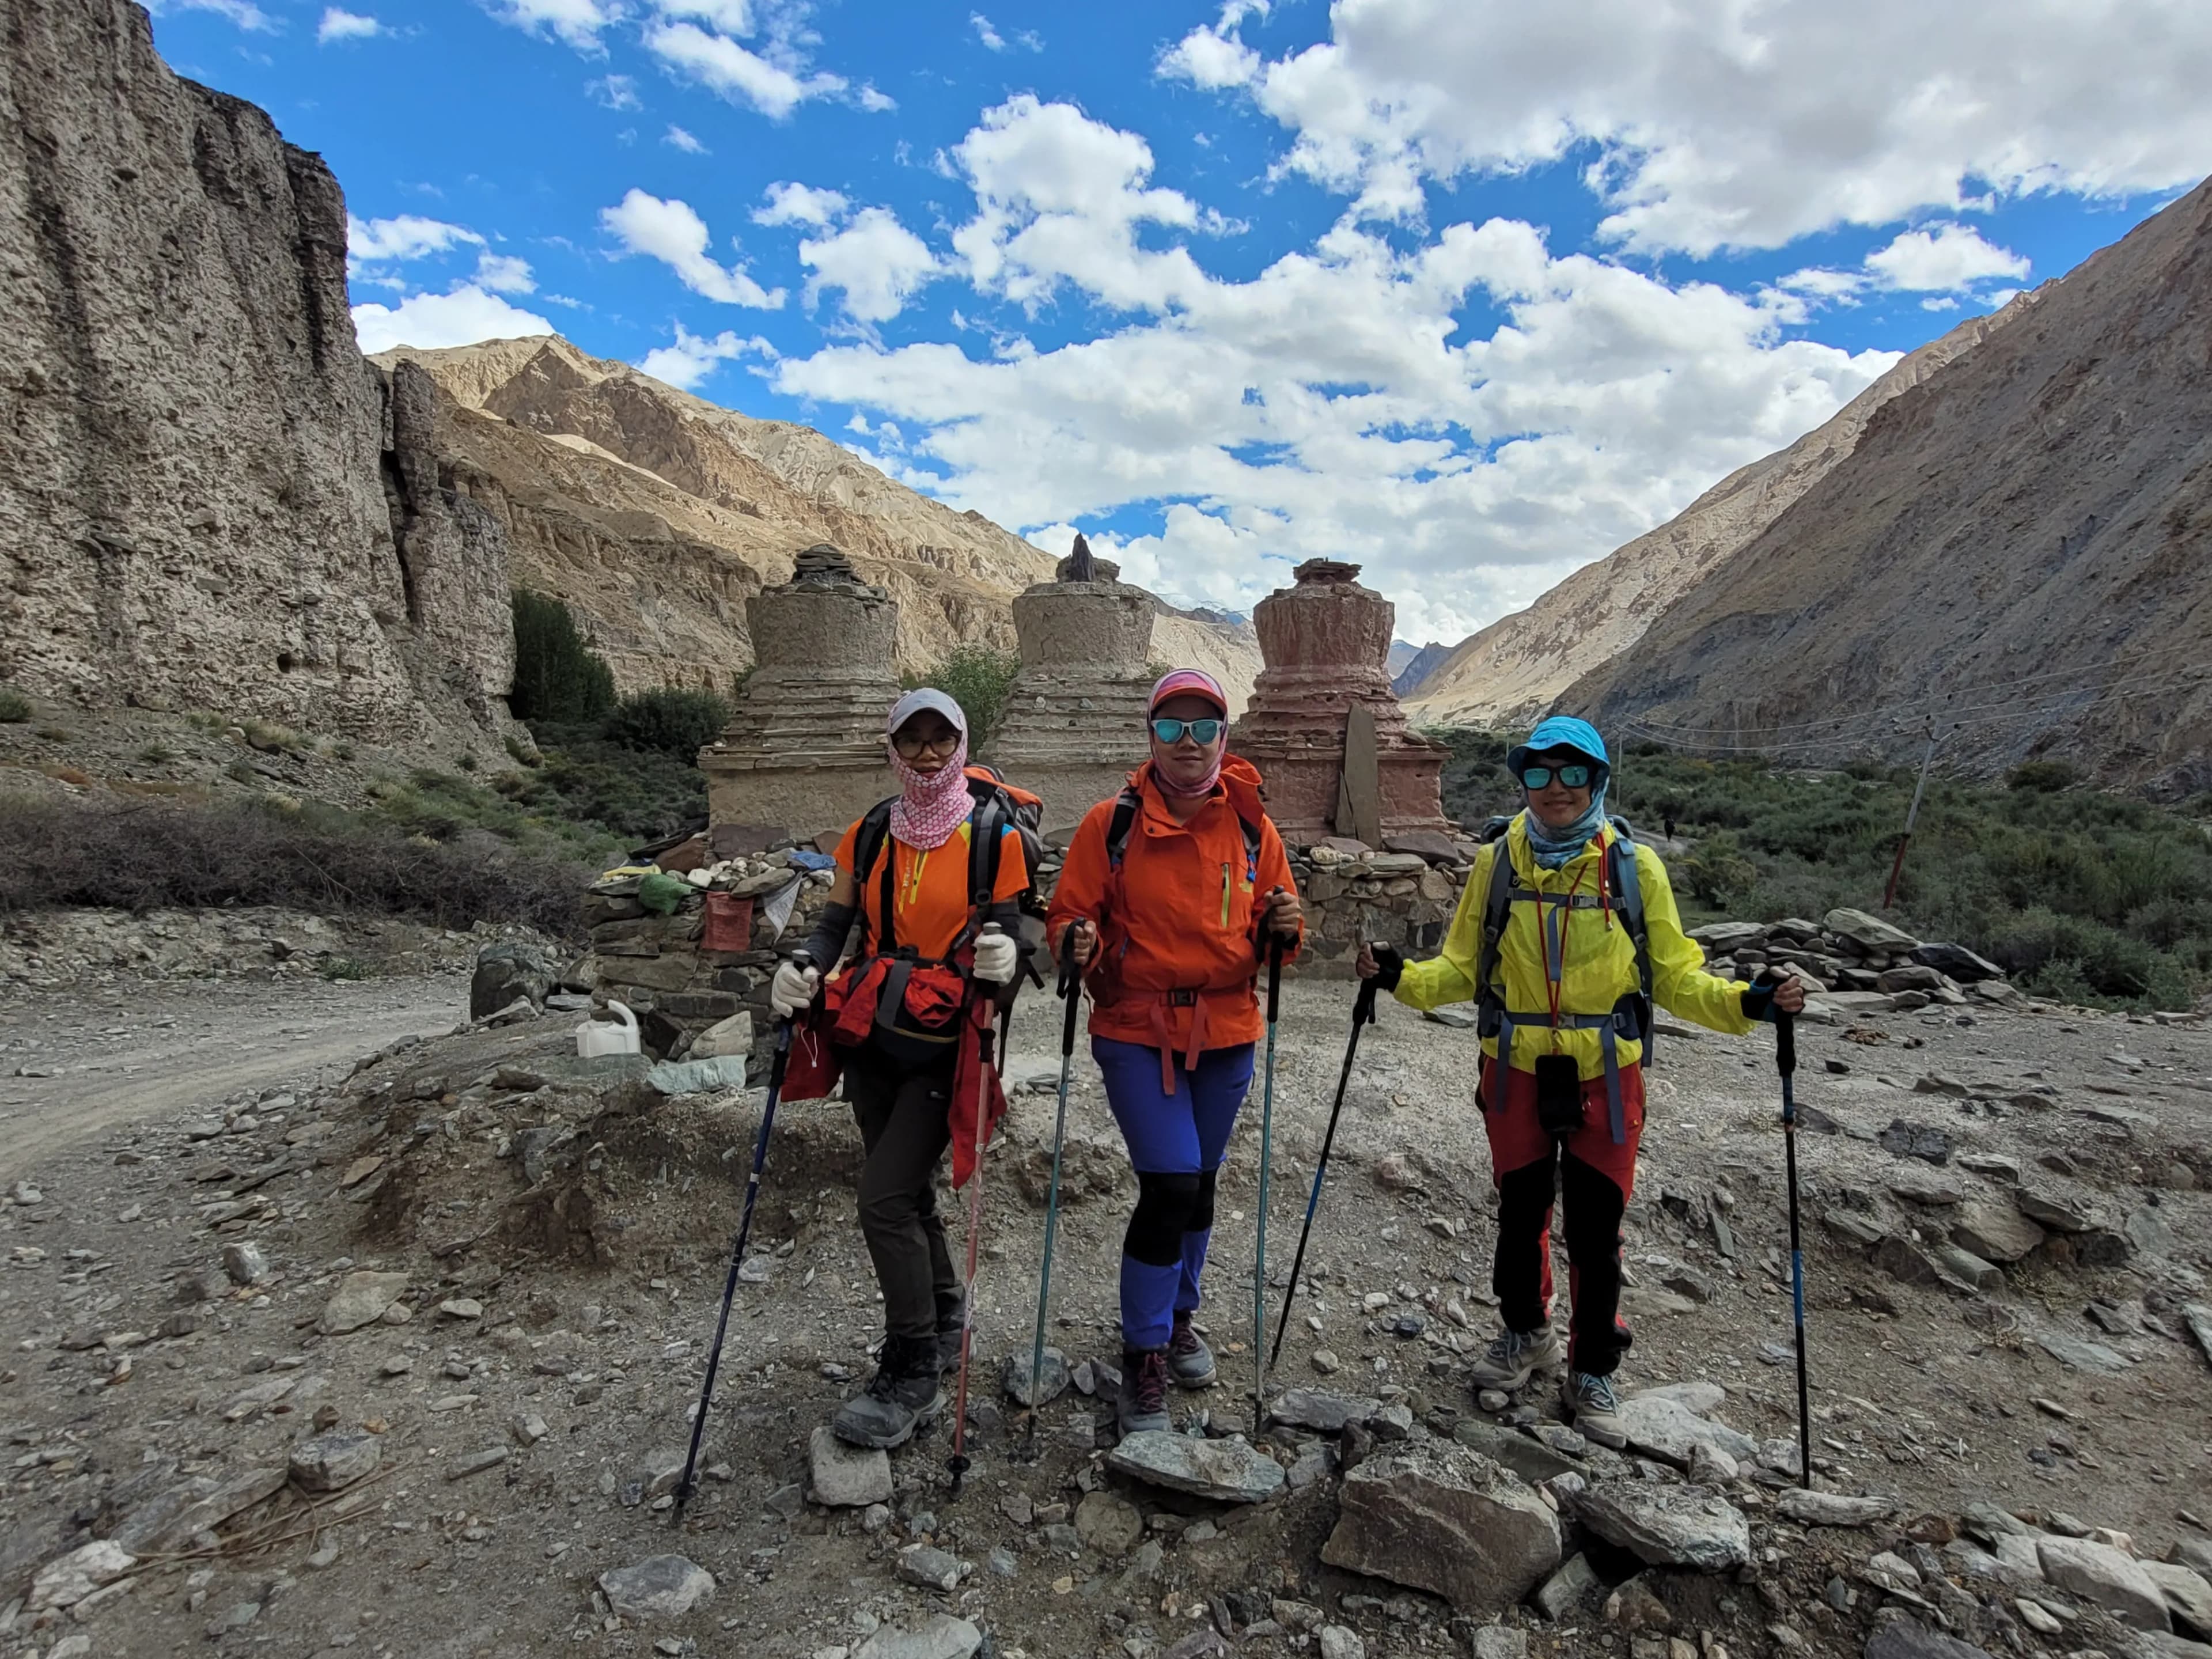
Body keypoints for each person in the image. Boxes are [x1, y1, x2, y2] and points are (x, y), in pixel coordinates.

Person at [1356, 715, 1804, 1448]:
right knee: (1519, 1218)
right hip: (1516, 1071)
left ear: (1597, 781)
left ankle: (1592, 1366)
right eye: (1539, 773)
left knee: (1597, 1232)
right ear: (1523, 782)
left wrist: (1747, 1002)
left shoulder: (1634, 868)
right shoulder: (1499, 863)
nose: (1555, 789)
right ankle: (1526, 1333)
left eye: (1571, 774)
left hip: (1608, 1073)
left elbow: (1676, 977)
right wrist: (1400, 974)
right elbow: (1463, 970)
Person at [1048, 669, 1304, 1436]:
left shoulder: (1255, 829)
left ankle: (1180, 1316)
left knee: (1199, 1186)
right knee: (1168, 1186)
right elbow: (1067, 916)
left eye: (1202, 727)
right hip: (1135, 1029)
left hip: (1227, 1033)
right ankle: (1144, 1353)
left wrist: (1287, 929)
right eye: (1171, 727)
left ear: (1224, 738)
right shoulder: (1109, 824)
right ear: (1149, 735)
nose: (1187, 742)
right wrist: (1075, 941)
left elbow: (1276, 931)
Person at [772, 688, 1026, 1449]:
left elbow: (1012, 942)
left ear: (961, 743)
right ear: (892, 747)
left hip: (944, 1041)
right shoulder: (871, 831)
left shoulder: (992, 837)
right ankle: (945, 1318)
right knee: (905, 1189)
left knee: (881, 1200)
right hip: (873, 1033)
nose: (925, 753)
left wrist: (1006, 961)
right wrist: (803, 966)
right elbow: (837, 924)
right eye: (910, 739)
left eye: (939, 739)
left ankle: (913, 1366)